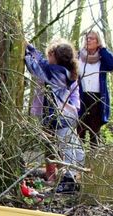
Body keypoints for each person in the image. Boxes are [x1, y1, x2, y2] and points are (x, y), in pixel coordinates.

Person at [25, 38, 83, 192]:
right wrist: (30, 48)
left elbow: (36, 67)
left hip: (60, 116)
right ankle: (76, 176)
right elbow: (43, 62)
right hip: (69, 114)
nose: (48, 57)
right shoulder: (66, 71)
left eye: (50, 54)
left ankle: (69, 181)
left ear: (56, 57)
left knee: (67, 148)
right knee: (73, 146)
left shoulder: (55, 72)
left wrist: (26, 55)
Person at [77, 30, 113, 147]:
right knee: (79, 131)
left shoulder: (102, 58)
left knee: (94, 133)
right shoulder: (77, 56)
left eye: (92, 38)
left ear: (98, 41)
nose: (88, 40)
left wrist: (103, 49)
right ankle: (78, 163)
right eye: (87, 38)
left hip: (97, 99)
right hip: (80, 97)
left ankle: (95, 162)